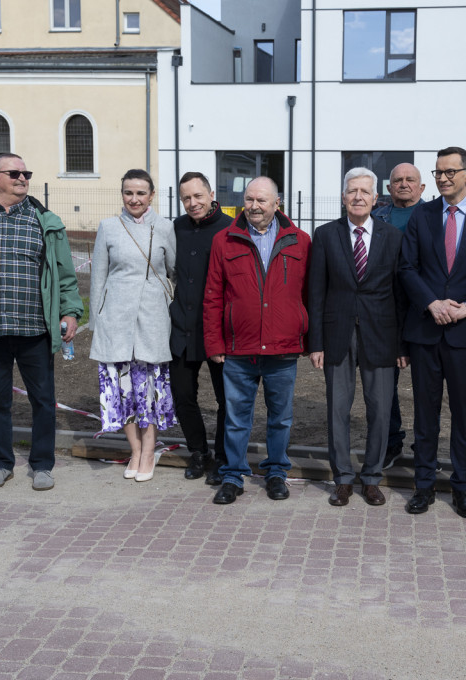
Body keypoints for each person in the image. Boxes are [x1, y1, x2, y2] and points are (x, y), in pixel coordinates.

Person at [0, 153, 82, 492]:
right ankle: (1, 464)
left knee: (42, 399)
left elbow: (65, 275)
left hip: (35, 328)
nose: (22, 178)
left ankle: (42, 466)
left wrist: (69, 312)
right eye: (14, 173)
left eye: (26, 173)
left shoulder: (45, 220)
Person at [398, 147, 466, 518]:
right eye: (438, 172)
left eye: (450, 172)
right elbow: (407, 268)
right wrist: (431, 303)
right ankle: (423, 486)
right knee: (425, 416)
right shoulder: (421, 216)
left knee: (464, 415)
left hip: (465, 335)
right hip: (426, 331)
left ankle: (463, 488)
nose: (443, 178)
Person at [203, 177, 310, 505]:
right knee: (237, 417)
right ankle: (233, 476)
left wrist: (309, 338)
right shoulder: (225, 240)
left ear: (277, 203)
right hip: (239, 348)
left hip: (283, 348)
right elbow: (213, 297)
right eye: (249, 199)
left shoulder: (300, 241)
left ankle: (276, 473)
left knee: (280, 417)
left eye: (262, 200)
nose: (254, 206)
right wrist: (214, 344)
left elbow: (311, 295)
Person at [308, 167, 405, 507]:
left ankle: (372, 478)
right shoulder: (325, 236)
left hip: (382, 336)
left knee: (380, 410)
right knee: (338, 410)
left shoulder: (392, 237)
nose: (358, 197)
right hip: (337, 335)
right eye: (352, 191)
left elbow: (400, 294)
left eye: (365, 191)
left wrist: (402, 345)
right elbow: (315, 292)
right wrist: (315, 343)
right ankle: (344, 479)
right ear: (344, 196)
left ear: (376, 198)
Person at [89, 169, 177, 482]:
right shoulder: (109, 228)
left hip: (152, 318)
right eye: (129, 192)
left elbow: (173, 271)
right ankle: (135, 449)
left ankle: (150, 450)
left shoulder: (165, 227)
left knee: (149, 388)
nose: (134, 199)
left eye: (141, 193)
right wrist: (96, 321)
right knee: (120, 388)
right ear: (122, 194)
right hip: (116, 319)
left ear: (151, 195)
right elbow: (98, 277)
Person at [171, 172, 232, 484]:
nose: (192, 203)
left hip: (218, 330)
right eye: (186, 198)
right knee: (182, 394)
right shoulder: (177, 227)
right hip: (182, 327)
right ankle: (198, 451)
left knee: (226, 399)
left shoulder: (230, 229)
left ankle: (222, 457)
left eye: (197, 196)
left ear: (210, 194)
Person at [372, 162, 426, 468]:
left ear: (421, 187)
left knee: (425, 385)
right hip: (384, 312)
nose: (403, 184)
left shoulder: (433, 216)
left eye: (410, 180)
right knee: (384, 385)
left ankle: (424, 446)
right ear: (389, 187)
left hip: (421, 310)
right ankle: (392, 443)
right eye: (397, 180)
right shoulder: (377, 216)